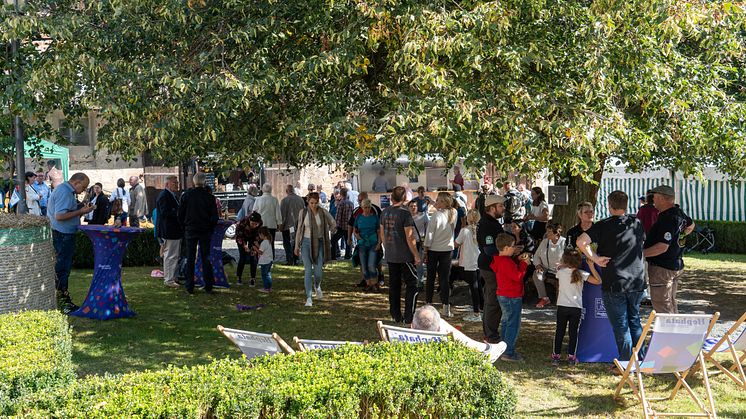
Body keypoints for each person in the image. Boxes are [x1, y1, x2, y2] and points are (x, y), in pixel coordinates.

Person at [576, 190, 646, 362]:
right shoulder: (636, 223)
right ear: (626, 204)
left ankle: (625, 363)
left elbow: (580, 242)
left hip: (615, 281)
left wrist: (595, 259)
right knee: (635, 322)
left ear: (609, 205)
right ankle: (641, 361)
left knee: (621, 326)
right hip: (636, 280)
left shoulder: (603, 225)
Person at [643, 185, 695, 314]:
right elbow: (691, 225)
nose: (652, 200)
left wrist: (638, 254)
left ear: (661, 198)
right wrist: (680, 236)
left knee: (662, 305)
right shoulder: (679, 213)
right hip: (674, 264)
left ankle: (669, 332)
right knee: (670, 302)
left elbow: (662, 247)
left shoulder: (668, 218)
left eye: (654, 197)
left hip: (662, 268)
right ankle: (675, 331)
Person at [48, 172, 94, 313]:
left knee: (62, 268)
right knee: (62, 268)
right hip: (62, 234)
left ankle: (60, 300)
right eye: (84, 187)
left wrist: (80, 209)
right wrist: (81, 211)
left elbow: (65, 212)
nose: (84, 190)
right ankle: (64, 302)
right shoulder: (65, 192)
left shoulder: (64, 190)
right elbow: (60, 215)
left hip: (62, 233)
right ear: (76, 182)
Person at [379, 186, 421, 324]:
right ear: (404, 198)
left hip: (391, 254)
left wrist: (388, 248)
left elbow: (382, 234)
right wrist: (416, 254)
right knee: (413, 284)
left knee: (394, 285)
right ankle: (409, 316)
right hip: (405, 255)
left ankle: (395, 314)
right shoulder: (405, 213)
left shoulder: (384, 212)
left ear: (391, 198)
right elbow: (410, 237)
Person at [551, 249, 601, 365]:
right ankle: (571, 357)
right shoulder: (582, 274)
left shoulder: (561, 272)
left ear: (564, 260)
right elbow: (598, 281)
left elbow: (560, 268)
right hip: (576, 307)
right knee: (573, 333)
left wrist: (562, 264)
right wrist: (591, 266)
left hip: (562, 306)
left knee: (559, 332)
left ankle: (556, 356)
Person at [412, 305, 507, 363]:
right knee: (439, 322)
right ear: (438, 329)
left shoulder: (400, 341)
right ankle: (483, 349)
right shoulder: (449, 357)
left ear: (412, 326)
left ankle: (484, 349)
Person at [491, 232, 530, 361]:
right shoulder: (506, 262)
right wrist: (524, 264)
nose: (515, 248)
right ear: (507, 248)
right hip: (511, 296)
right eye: (513, 246)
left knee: (506, 322)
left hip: (503, 294)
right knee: (513, 323)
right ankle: (508, 352)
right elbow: (517, 277)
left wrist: (517, 261)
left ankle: (503, 348)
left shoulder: (500, 260)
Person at [178, 172, 219, 294]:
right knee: (206, 257)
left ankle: (189, 285)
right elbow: (214, 217)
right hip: (205, 229)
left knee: (190, 257)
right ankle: (208, 285)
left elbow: (180, 214)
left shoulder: (187, 196)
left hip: (191, 229)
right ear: (204, 182)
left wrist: (184, 226)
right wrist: (210, 228)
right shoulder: (210, 197)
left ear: (193, 182)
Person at [294, 192, 336, 307]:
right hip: (306, 243)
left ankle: (317, 286)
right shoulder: (303, 213)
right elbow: (299, 230)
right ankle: (308, 298)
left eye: (315, 203)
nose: (313, 205)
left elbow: (333, 222)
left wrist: (331, 230)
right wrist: (296, 245)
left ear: (318, 202)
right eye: (311, 203)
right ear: (308, 202)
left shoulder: (322, 212)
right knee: (308, 270)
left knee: (318, 272)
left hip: (319, 242)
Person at [477, 195, 507, 344]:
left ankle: (490, 332)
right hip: (490, 266)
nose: (503, 209)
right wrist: (508, 251)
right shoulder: (487, 224)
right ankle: (490, 334)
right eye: (500, 206)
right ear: (492, 208)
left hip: (491, 265)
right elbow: (489, 249)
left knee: (492, 299)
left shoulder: (491, 222)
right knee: (493, 300)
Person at [423, 192, 457, 317]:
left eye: (438, 201)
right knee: (444, 279)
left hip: (434, 249)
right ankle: (445, 306)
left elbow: (429, 235)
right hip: (447, 249)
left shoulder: (436, 215)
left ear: (443, 202)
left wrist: (426, 249)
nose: (435, 203)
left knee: (431, 277)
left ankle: (428, 303)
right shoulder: (454, 212)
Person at [455, 209, 483, 322]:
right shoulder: (480, 229)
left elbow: (456, 243)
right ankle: (481, 308)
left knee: (474, 287)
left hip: (468, 261)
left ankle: (476, 313)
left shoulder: (464, 231)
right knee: (479, 286)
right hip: (479, 261)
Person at [532, 223, 566, 308]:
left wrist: (563, 265)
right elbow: (536, 256)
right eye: (547, 231)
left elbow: (569, 258)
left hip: (560, 269)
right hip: (546, 267)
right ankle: (544, 298)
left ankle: (562, 302)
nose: (547, 233)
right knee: (537, 274)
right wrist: (538, 265)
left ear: (556, 233)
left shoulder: (564, 242)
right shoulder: (545, 242)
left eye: (550, 232)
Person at [156, 176, 181, 288]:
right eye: (174, 183)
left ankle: (173, 277)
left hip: (174, 230)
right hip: (169, 230)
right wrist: (178, 212)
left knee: (174, 255)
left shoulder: (172, 195)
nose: (177, 184)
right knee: (170, 255)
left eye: (177, 182)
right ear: (167, 184)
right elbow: (165, 212)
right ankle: (169, 279)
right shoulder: (164, 196)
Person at [353, 199, 381, 290]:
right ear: (362, 208)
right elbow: (355, 229)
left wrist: (379, 243)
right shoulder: (359, 218)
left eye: (368, 207)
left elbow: (379, 231)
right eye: (365, 207)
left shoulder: (375, 218)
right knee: (364, 266)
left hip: (373, 243)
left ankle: (375, 283)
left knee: (371, 265)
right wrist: (356, 235)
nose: (367, 209)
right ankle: (368, 284)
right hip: (362, 243)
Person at [252, 183, 282, 259]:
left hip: (261, 225)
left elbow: (254, 212)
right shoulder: (274, 200)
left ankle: (261, 258)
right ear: (271, 190)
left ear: (262, 189)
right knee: (270, 243)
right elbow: (278, 213)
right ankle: (271, 258)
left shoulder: (258, 200)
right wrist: (279, 223)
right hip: (271, 225)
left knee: (260, 242)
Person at [280, 184, 305, 266]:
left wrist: (281, 226)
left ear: (287, 191)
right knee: (296, 242)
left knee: (287, 243)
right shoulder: (300, 199)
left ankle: (289, 259)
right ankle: (296, 258)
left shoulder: (284, 200)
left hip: (288, 225)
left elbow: (282, 215)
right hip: (299, 224)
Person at [235, 212, 262, 286]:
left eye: (256, 224)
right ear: (249, 220)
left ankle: (253, 278)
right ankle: (239, 277)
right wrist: (244, 246)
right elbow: (239, 237)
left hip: (253, 237)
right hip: (241, 237)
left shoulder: (260, 224)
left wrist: (256, 247)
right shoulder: (242, 223)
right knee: (242, 257)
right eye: (252, 223)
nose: (254, 226)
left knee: (253, 257)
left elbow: (257, 237)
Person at [409, 199, 429, 287]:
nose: (413, 208)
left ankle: (420, 281)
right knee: (410, 262)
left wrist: (426, 242)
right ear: (408, 207)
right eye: (411, 206)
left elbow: (428, 229)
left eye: (415, 206)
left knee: (419, 263)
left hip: (420, 242)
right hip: (409, 243)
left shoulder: (423, 216)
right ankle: (411, 280)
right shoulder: (406, 217)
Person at [331, 188, 353, 259]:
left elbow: (338, 216)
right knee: (348, 240)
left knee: (333, 240)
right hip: (349, 226)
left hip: (341, 226)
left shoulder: (341, 203)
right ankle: (348, 255)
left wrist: (336, 226)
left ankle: (333, 255)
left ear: (341, 194)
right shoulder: (351, 203)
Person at [257, 226, 274, 293]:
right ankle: (269, 287)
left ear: (262, 234)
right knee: (268, 274)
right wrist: (257, 246)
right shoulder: (268, 241)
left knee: (264, 275)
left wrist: (255, 248)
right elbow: (263, 249)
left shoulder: (264, 242)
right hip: (269, 260)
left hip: (265, 261)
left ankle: (266, 288)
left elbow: (261, 252)